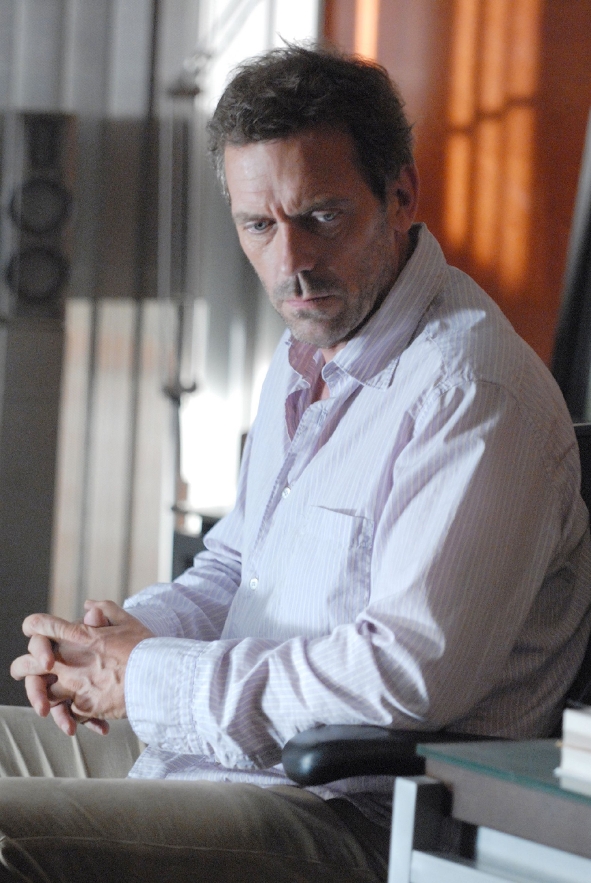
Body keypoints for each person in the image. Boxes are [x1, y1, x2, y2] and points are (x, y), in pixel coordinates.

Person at [4, 43, 591, 883]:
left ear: (400, 195)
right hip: (220, 761)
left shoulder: (470, 392)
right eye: (259, 226)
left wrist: (152, 678)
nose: (290, 264)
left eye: (321, 217)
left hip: (346, 815)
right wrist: (107, 649)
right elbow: (236, 567)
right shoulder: (309, 349)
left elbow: (402, 676)